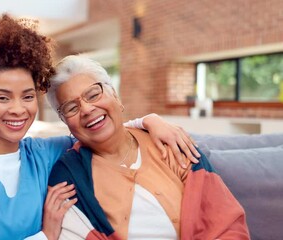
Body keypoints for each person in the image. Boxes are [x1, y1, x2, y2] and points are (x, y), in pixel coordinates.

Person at [0, 12, 200, 240]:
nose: (18, 109)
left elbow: (97, 127)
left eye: (27, 96)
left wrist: (150, 121)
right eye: (2, 97)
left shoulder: (45, 155)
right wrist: (45, 235)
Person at [47, 55, 250, 239]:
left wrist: (147, 121)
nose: (87, 109)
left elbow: (227, 223)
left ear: (115, 95)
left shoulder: (171, 144)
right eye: (71, 108)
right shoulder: (69, 175)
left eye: (93, 95)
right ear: (65, 122)